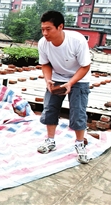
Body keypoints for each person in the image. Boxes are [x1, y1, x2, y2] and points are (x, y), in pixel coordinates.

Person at [37, 10, 91, 164]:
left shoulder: (77, 40)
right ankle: (50, 141)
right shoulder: (43, 43)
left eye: (48, 29)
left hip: (79, 78)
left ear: (60, 27)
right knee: (50, 108)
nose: (45, 33)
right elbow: (45, 64)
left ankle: (80, 144)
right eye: (42, 29)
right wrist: (48, 80)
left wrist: (71, 83)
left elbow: (85, 66)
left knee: (78, 112)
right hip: (57, 77)